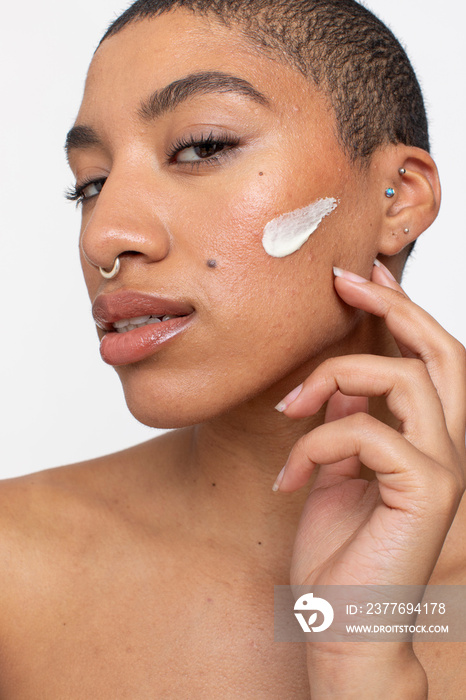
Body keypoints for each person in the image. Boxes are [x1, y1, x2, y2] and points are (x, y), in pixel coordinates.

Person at [1, 0, 465, 697]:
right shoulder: (14, 569)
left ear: (398, 198)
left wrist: (359, 659)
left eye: (203, 146)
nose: (106, 235)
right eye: (91, 184)